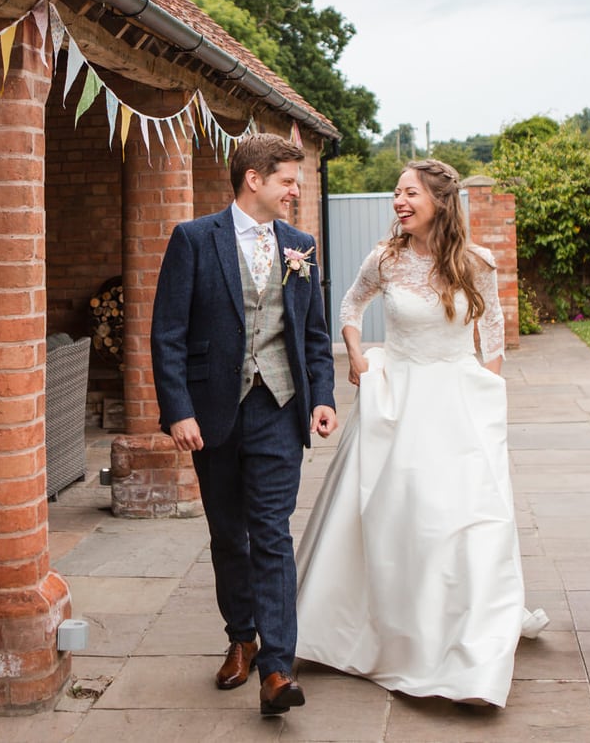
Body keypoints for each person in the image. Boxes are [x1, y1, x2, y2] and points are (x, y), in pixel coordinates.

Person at [294, 158, 547, 707]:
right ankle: (392, 627)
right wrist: (357, 355)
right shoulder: (385, 260)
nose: (398, 202)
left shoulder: (476, 263)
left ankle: (468, 637)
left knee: (467, 520)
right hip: (398, 401)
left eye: (409, 193)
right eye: (396, 193)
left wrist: (485, 400)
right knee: (399, 514)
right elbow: (351, 303)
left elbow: (494, 337)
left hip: (456, 404)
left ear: (438, 200)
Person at [151, 133, 339, 716]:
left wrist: (323, 397)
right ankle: (242, 637)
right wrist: (178, 409)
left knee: (273, 531)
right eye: (287, 179)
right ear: (253, 179)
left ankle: (278, 667)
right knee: (230, 533)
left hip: (278, 408)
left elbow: (312, 333)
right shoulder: (193, 239)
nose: (296, 189)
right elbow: (168, 334)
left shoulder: (300, 245)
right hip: (213, 412)